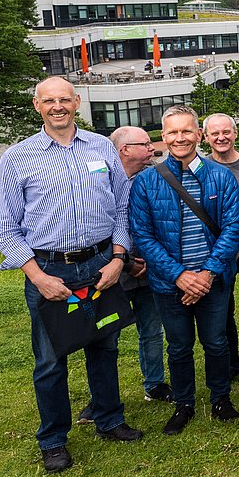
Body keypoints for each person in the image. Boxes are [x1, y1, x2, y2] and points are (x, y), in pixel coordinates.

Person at [0, 77, 143, 473]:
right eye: (49, 101)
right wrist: (36, 275)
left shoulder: (101, 148)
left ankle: (110, 419)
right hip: (48, 270)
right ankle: (54, 439)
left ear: (77, 102)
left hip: (100, 265)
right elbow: (6, 229)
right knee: (49, 359)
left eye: (64, 99)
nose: (58, 106)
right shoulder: (18, 157)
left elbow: (122, 211)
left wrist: (118, 259)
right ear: (37, 106)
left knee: (104, 347)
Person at [129, 105, 239, 435]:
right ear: (163, 137)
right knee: (179, 346)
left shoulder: (220, 176)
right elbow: (143, 235)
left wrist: (207, 273)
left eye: (186, 131)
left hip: (213, 281)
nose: (180, 138)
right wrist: (179, 275)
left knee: (216, 342)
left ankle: (221, 398)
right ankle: (184, 403)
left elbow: (234, 227)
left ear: (198, 135)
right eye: (173, 132)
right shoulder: (147, 182)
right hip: (170, 284)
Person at [76, 126, 170, 425]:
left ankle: (154, 384)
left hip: (150, 267)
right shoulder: (99, 181)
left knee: (152, 330)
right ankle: (101, 399)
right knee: (105, 335)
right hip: (112, 270)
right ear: (124, 149)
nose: (153, 149)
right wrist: (125, 261)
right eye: (145, 144)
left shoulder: (155, 178)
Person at [203, 112, 239, 378]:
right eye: (215, 134)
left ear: (235, 134)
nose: (221, 138)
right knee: (223, 310)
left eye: (227, 132)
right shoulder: (201, 168)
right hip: (220, 249)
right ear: (206, 137)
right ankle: (231, 364)